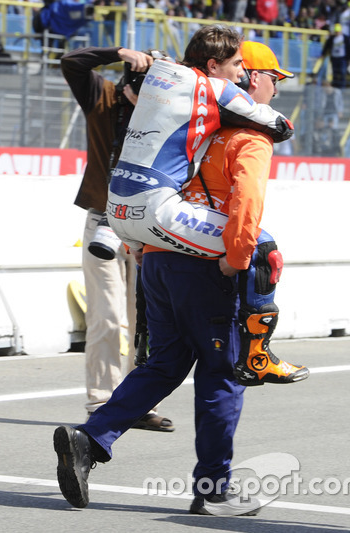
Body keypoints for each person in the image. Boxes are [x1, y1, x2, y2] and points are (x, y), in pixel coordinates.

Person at [53, 38, 293, 518]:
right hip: (205, 264)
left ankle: (89, 439)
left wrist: (142, 246)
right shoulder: (247, 134)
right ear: (247, 76)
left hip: (156, 253)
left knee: (164, 364)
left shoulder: (189, 117)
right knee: (223, 373)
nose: (268, 87)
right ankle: (214, 487)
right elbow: (246, 203)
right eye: (270, 78)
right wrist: (237, 258)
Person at [105, 26, 308, 386]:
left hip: (119, 208)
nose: (241, 74)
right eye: (237, 66)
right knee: (262, 249)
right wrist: (236, 257)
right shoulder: (216, 89)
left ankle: (145, 345)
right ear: (215, 65)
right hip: (159, 208)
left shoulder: (159, 82)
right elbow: (280, 125)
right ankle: (257, 355)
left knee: (152, 258)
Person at [60, 45, 173, 431]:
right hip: (102, 222)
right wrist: (119, 52)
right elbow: (71, 63)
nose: (150, 100)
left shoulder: (166, 112)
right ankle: (101, 404)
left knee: (145, 322)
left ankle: (136, 403)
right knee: (107, 318)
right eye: (144, 88)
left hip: (146, 227)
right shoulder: (104, 99)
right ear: (128, 84)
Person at [323, 23, 350, 88]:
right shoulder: (332, 38)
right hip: (334, 58)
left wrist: (349, 58)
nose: (337, 32)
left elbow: (349, 49)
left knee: (342, 73)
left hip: (342, 58)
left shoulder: (345, 38)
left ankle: (342, 87)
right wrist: (323, 54)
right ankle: (335, 87)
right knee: (335, 73)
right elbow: (327, 46)